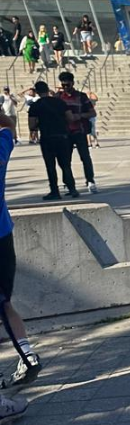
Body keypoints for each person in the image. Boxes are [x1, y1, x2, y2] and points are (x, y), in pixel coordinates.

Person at [0, 111, 42, 390]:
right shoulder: (2, 143)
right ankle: (27, 355)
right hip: (3, 235)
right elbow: (8, 125)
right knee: (4, 302)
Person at [28, 82, 78, 200]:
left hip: (47, 137)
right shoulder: (60, 102)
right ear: (47, 89)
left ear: (37, 92)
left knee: (50, 166)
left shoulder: (35, 106)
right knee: (65, 165)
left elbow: (32, 125)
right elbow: (70, 118)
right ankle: (72, 188)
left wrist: (40, 123)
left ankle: (55, 191)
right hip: (62, 136)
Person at [56, 71, 98, 193]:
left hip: (79, 130)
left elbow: (92, 113)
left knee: (85, 157)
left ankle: (90, 180)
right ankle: (69, 184)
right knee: (65, 160)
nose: (65, 87)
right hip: (65, 132)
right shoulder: (58, 97)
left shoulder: (81, 96)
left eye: (67, 85)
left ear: (73, 83)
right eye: (63, 85)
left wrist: (79, 116)